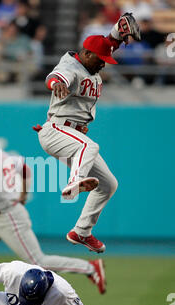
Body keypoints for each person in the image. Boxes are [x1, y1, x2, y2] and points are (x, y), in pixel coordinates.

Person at [0, 122, 106, 294]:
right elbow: (25, 168)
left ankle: (90, 267)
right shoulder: (4, 156)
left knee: (39, 261)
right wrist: (23, 194)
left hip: (10, 217)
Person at [34, 13, 141, 253]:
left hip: (72, 135)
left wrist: (118, 29)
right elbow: (55, 77)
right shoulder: (70, 65)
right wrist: (55, 84)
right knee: (90, 147)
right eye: (100, 59)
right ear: (86, 54)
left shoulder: (93, 56)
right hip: (58, 130)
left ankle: (81, 232)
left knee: (109, 184)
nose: (104, 63)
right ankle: (74, 182)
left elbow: (108, 43)